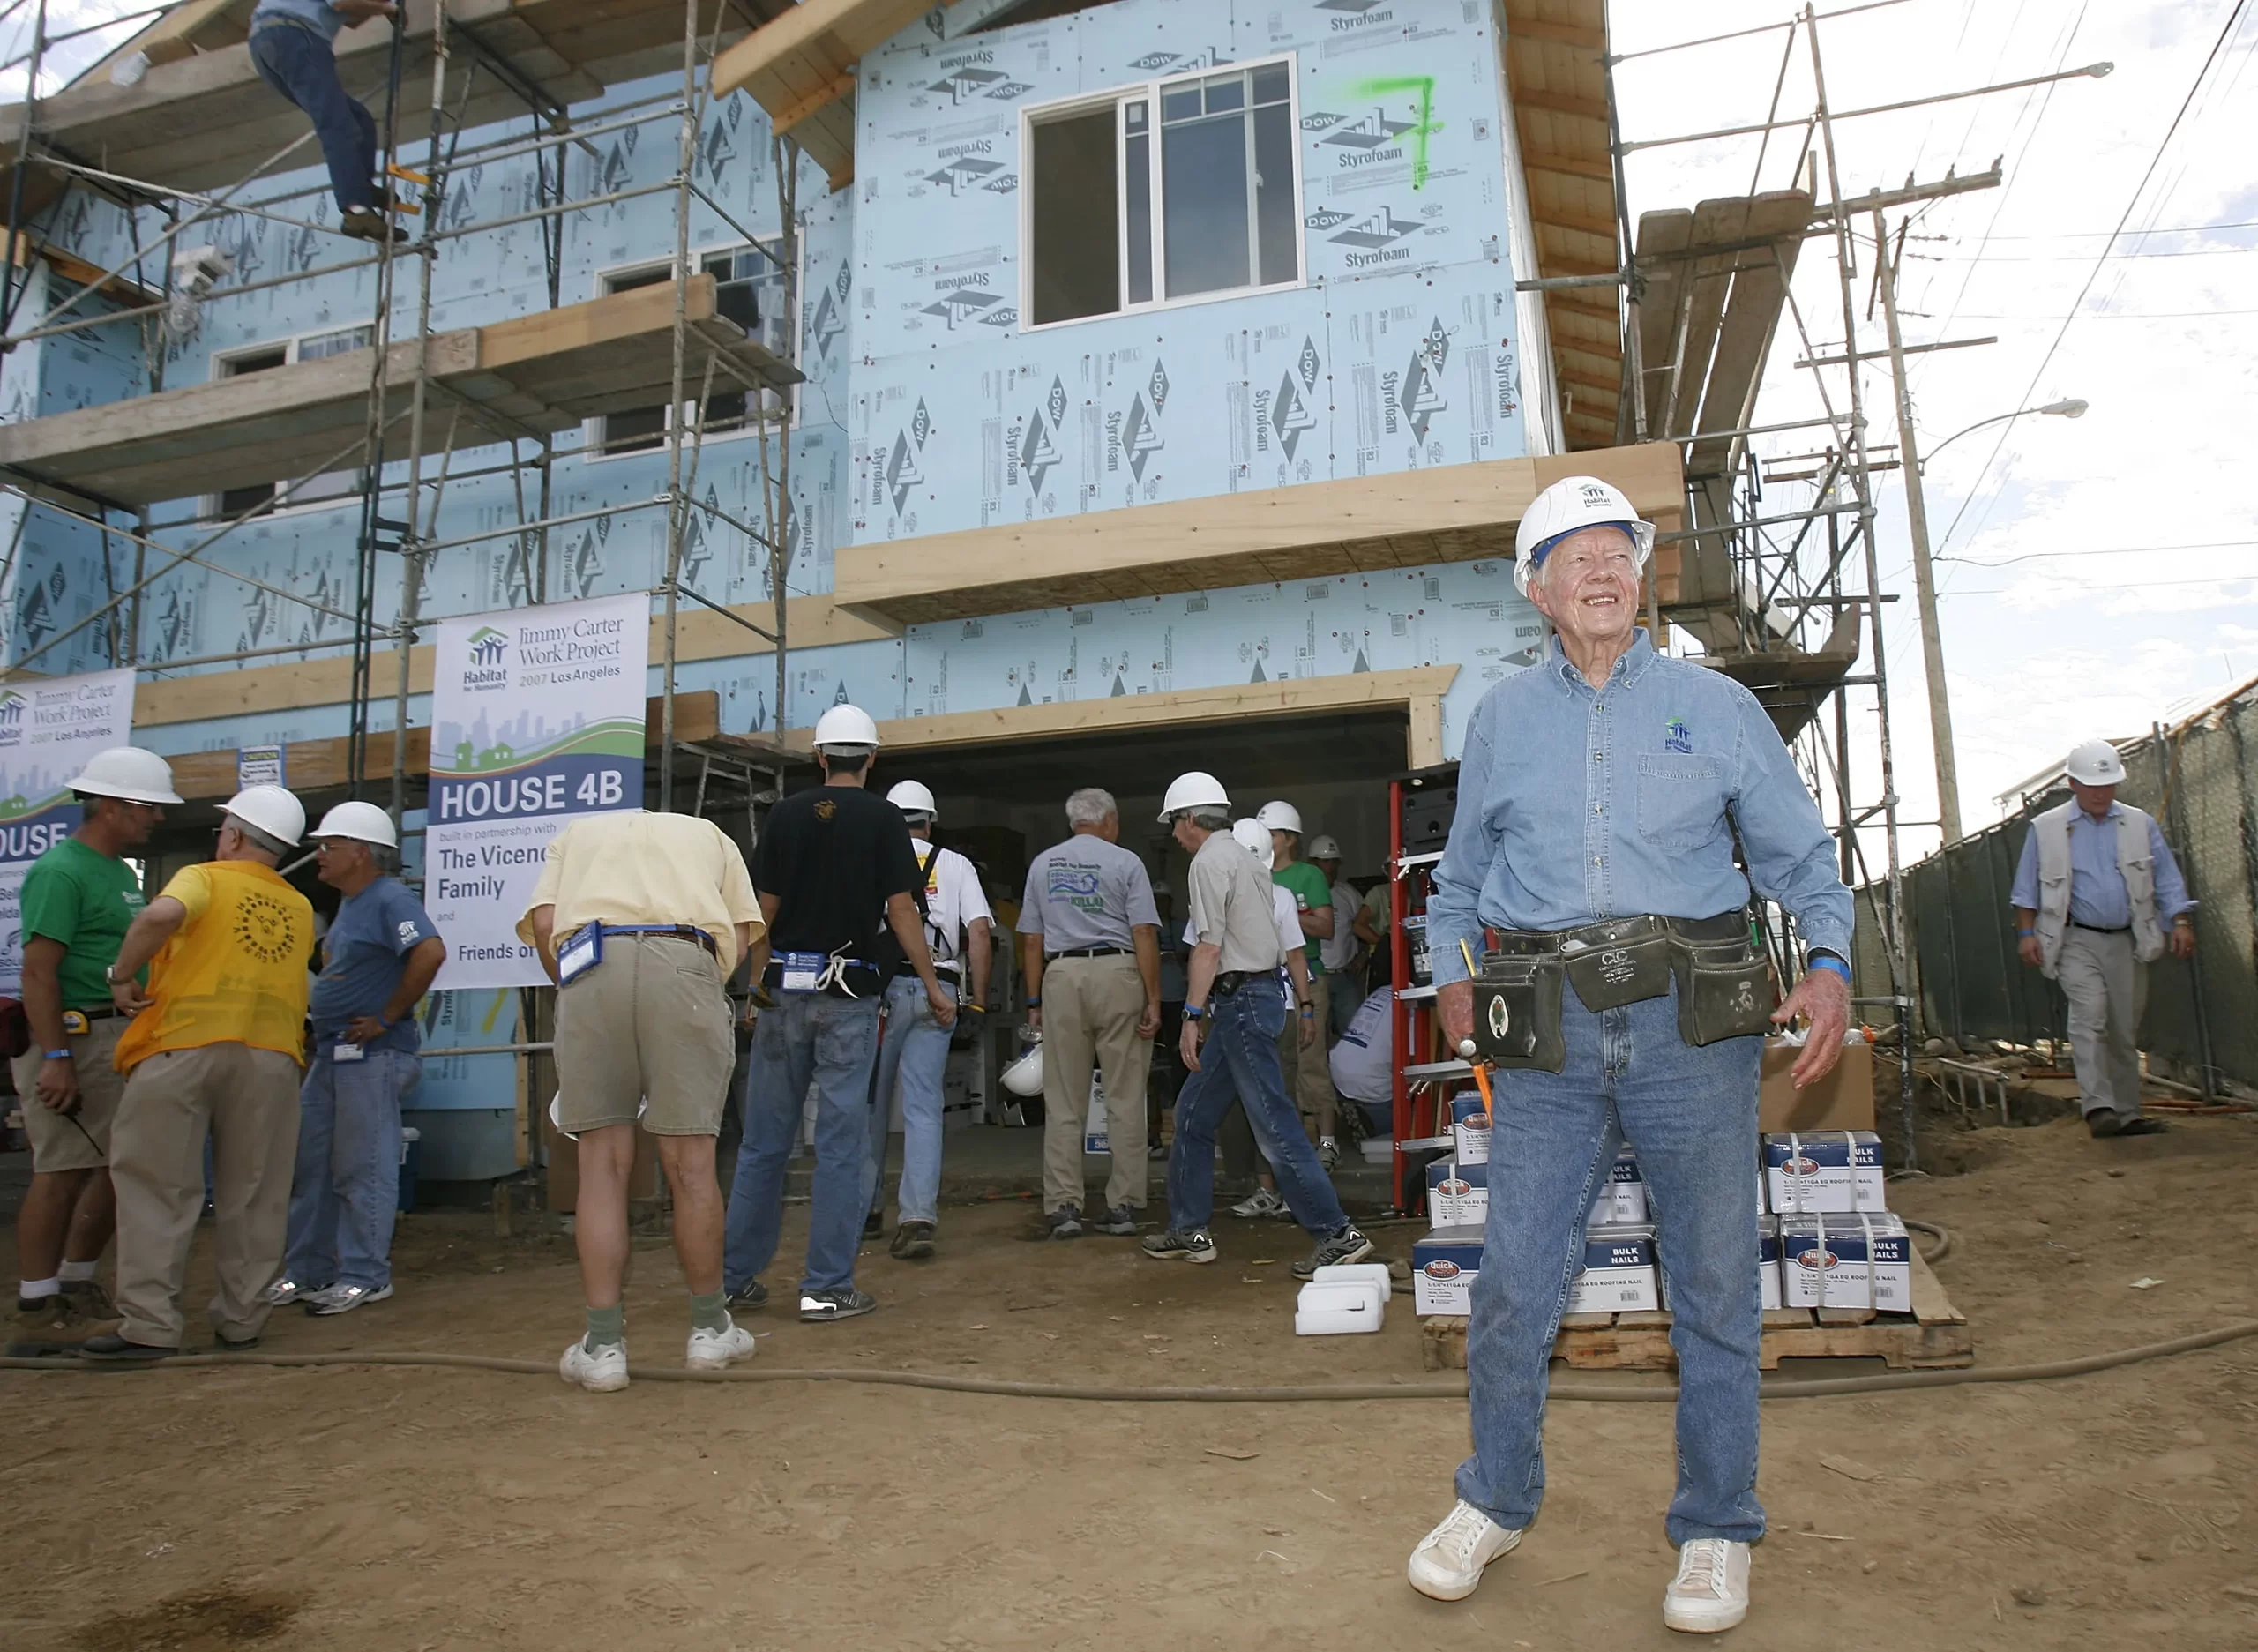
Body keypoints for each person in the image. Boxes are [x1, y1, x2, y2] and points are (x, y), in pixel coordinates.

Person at [1402, 475, 1855, 1632]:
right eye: (1576, 558)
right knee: (1513, 1284)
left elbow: (1799, 857)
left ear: (1643, 576)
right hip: (1543, 1027)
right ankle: (1494, 1498)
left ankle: (1715, 1526)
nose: (1603, 573)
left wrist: (1833, 964)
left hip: (1690, 1028)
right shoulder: (1501, 720)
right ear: (1539, 591)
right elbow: (1456, 886)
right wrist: (1453, 977)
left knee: (1712, 1282)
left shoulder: (1715, 705)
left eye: (1620, 553)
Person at [724, 705, 954, 1323]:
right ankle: (825, 1286)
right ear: (871, 758)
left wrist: (752, 988)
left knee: (764, 1144)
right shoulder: (883, 819)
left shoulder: (785, 815)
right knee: (841, 1144)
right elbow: (903, 912)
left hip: (783, 995)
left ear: (820, 757)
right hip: (850, 997)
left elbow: (760, 915)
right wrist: (933, 986)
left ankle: (733, 1280)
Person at [521, 806, 764, 1391]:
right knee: (692, 1165)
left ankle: (603, 1345)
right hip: (684, 960)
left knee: (601, 1164)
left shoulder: (576, 836)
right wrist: (717, 982)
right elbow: (744, 930)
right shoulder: (711, 833)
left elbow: (548, 919)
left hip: (592, 962)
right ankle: (710, 1330)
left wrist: (578, 987)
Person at [81, 785, 318, 1362]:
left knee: (159, 1186)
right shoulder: (300, 906)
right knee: (256, 1191)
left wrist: (121, 973)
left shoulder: (204, 877)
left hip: (182, 1045)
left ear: (233, 834)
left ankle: (151, 1325)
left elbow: (162, 914)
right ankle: (242, 1319)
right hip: (270, 1057)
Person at [1143, 773, 1372, 1277]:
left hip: (1238, 1000)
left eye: (1174, 825)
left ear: (1188, 820)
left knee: (1275, 1126)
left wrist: (1190, 1015)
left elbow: (1208, 947)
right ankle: (1188, 1229)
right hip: (1253, 998)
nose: (1174, 836)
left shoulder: (1208, 862)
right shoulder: (1246, 858)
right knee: (1194, 1116)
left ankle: (1336, 1232)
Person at [5, 748, 177, 1357]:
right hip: (74, 1036)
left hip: (110, 1034)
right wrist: (54, 1054)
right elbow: (38, 972)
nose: (155, 817)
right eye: (147, 806)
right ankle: (35, 1305)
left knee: (112, 1167)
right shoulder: (61, 872)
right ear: (108, 805)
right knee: (60, 1168)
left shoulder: (117, 872)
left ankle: (75, 1284)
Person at [267, 803, 444, 1318]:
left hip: (373, 1055)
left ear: (362, 853)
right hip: (334, 1057)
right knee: (313, 1167)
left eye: (330, 847)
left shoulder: (389, 897)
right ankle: (307, 1271)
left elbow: (429, 952)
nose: (318, 856)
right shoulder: (351, 904)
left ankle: (366, 1276)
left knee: (361, 1166)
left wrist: (386, 1017)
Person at [2010, 738, 2194, 1138]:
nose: (2100, 793)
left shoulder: (2139, 824)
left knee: (2124, 1028)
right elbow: (2026, 889)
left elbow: (2166, 878)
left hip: (2128, 940)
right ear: (2073, 783)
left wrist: (2179, 921)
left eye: (2108, 784)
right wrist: (2027, 934)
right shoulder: (2047, 829)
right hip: (2075, 939)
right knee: (2090, 1013)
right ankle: (2099, 1108)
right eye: (2093, 785)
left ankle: (2128, 1113)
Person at [1018, 787, 1162, 1239]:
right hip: (1119, 972)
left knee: (1063, 1099)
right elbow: (1142, 932)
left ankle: (1064, 1206)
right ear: (1109, 821)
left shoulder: (1043, 864)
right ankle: (1122, 1205)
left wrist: (1034, 1001)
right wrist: (1154, 996)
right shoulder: (1126, 862)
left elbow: (1031, 941)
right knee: (1124, 1096)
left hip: (1062, 975)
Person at [864, 780, 993, 1260]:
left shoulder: (874, 858)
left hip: (882, 992)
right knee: (923, 1107)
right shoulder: (955, 865)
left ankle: (866, 1209)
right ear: (930, 821)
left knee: (870, 1106)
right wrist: (977, 1001)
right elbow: (978, 932)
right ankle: (917, 1218)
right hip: (939, 990)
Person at [1211, 819, 1320, 1220]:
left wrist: (1305, 1006)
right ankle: (1272, 1189)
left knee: (1272, 1102)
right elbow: (1294, 955)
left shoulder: (1279, 896)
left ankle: (1281, 1189)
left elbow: (1295, 954)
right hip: (1262, 1007)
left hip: (1262, 1007)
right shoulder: (1271, 894)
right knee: (1260, 1104)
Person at [247, 1, 407, 244]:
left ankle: (359, 187)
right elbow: (344, 2)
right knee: (335, 124)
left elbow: (352, 18)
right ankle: (356, 209)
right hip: (295, 36)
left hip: (268, 42)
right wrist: (390, 8)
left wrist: (382, 6)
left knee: (356, 119)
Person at [1257, 800, 1341, 1166]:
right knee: (1279, 1066)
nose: (1267, 840)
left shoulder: (1309, 875)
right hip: (1267, 980)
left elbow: (1326, 928)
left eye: (1272, 833)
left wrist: (1286, 914)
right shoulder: (1253, 873)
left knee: (1311, 1060)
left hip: (1307, 976)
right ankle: (1292, 1145)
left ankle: (1327, 1143)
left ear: (1290, 838)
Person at [1308, 834, 1363, 1043]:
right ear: (1313, 863)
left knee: (1355, 1035)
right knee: (1316, 1039)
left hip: (1344, 978)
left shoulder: (1348, 894)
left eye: (1333, 862)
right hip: (1314, 976)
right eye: (1325, 862)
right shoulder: (1301, 894)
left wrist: (1363, 957)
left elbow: (1365, 928)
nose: (1330, 867)